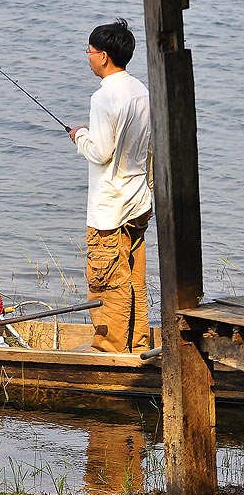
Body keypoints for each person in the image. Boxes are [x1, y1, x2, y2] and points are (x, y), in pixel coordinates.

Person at [69, 18, 153, 353]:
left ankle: (110, 353)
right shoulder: (141, 91)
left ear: (103, 56)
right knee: (133, 282)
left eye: (89, 51)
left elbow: (100, 152)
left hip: (110, 209)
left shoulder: (103, 98)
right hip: (138, 202)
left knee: (107, 285)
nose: (87, 57)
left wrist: (80, 136)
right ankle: (138, 344)